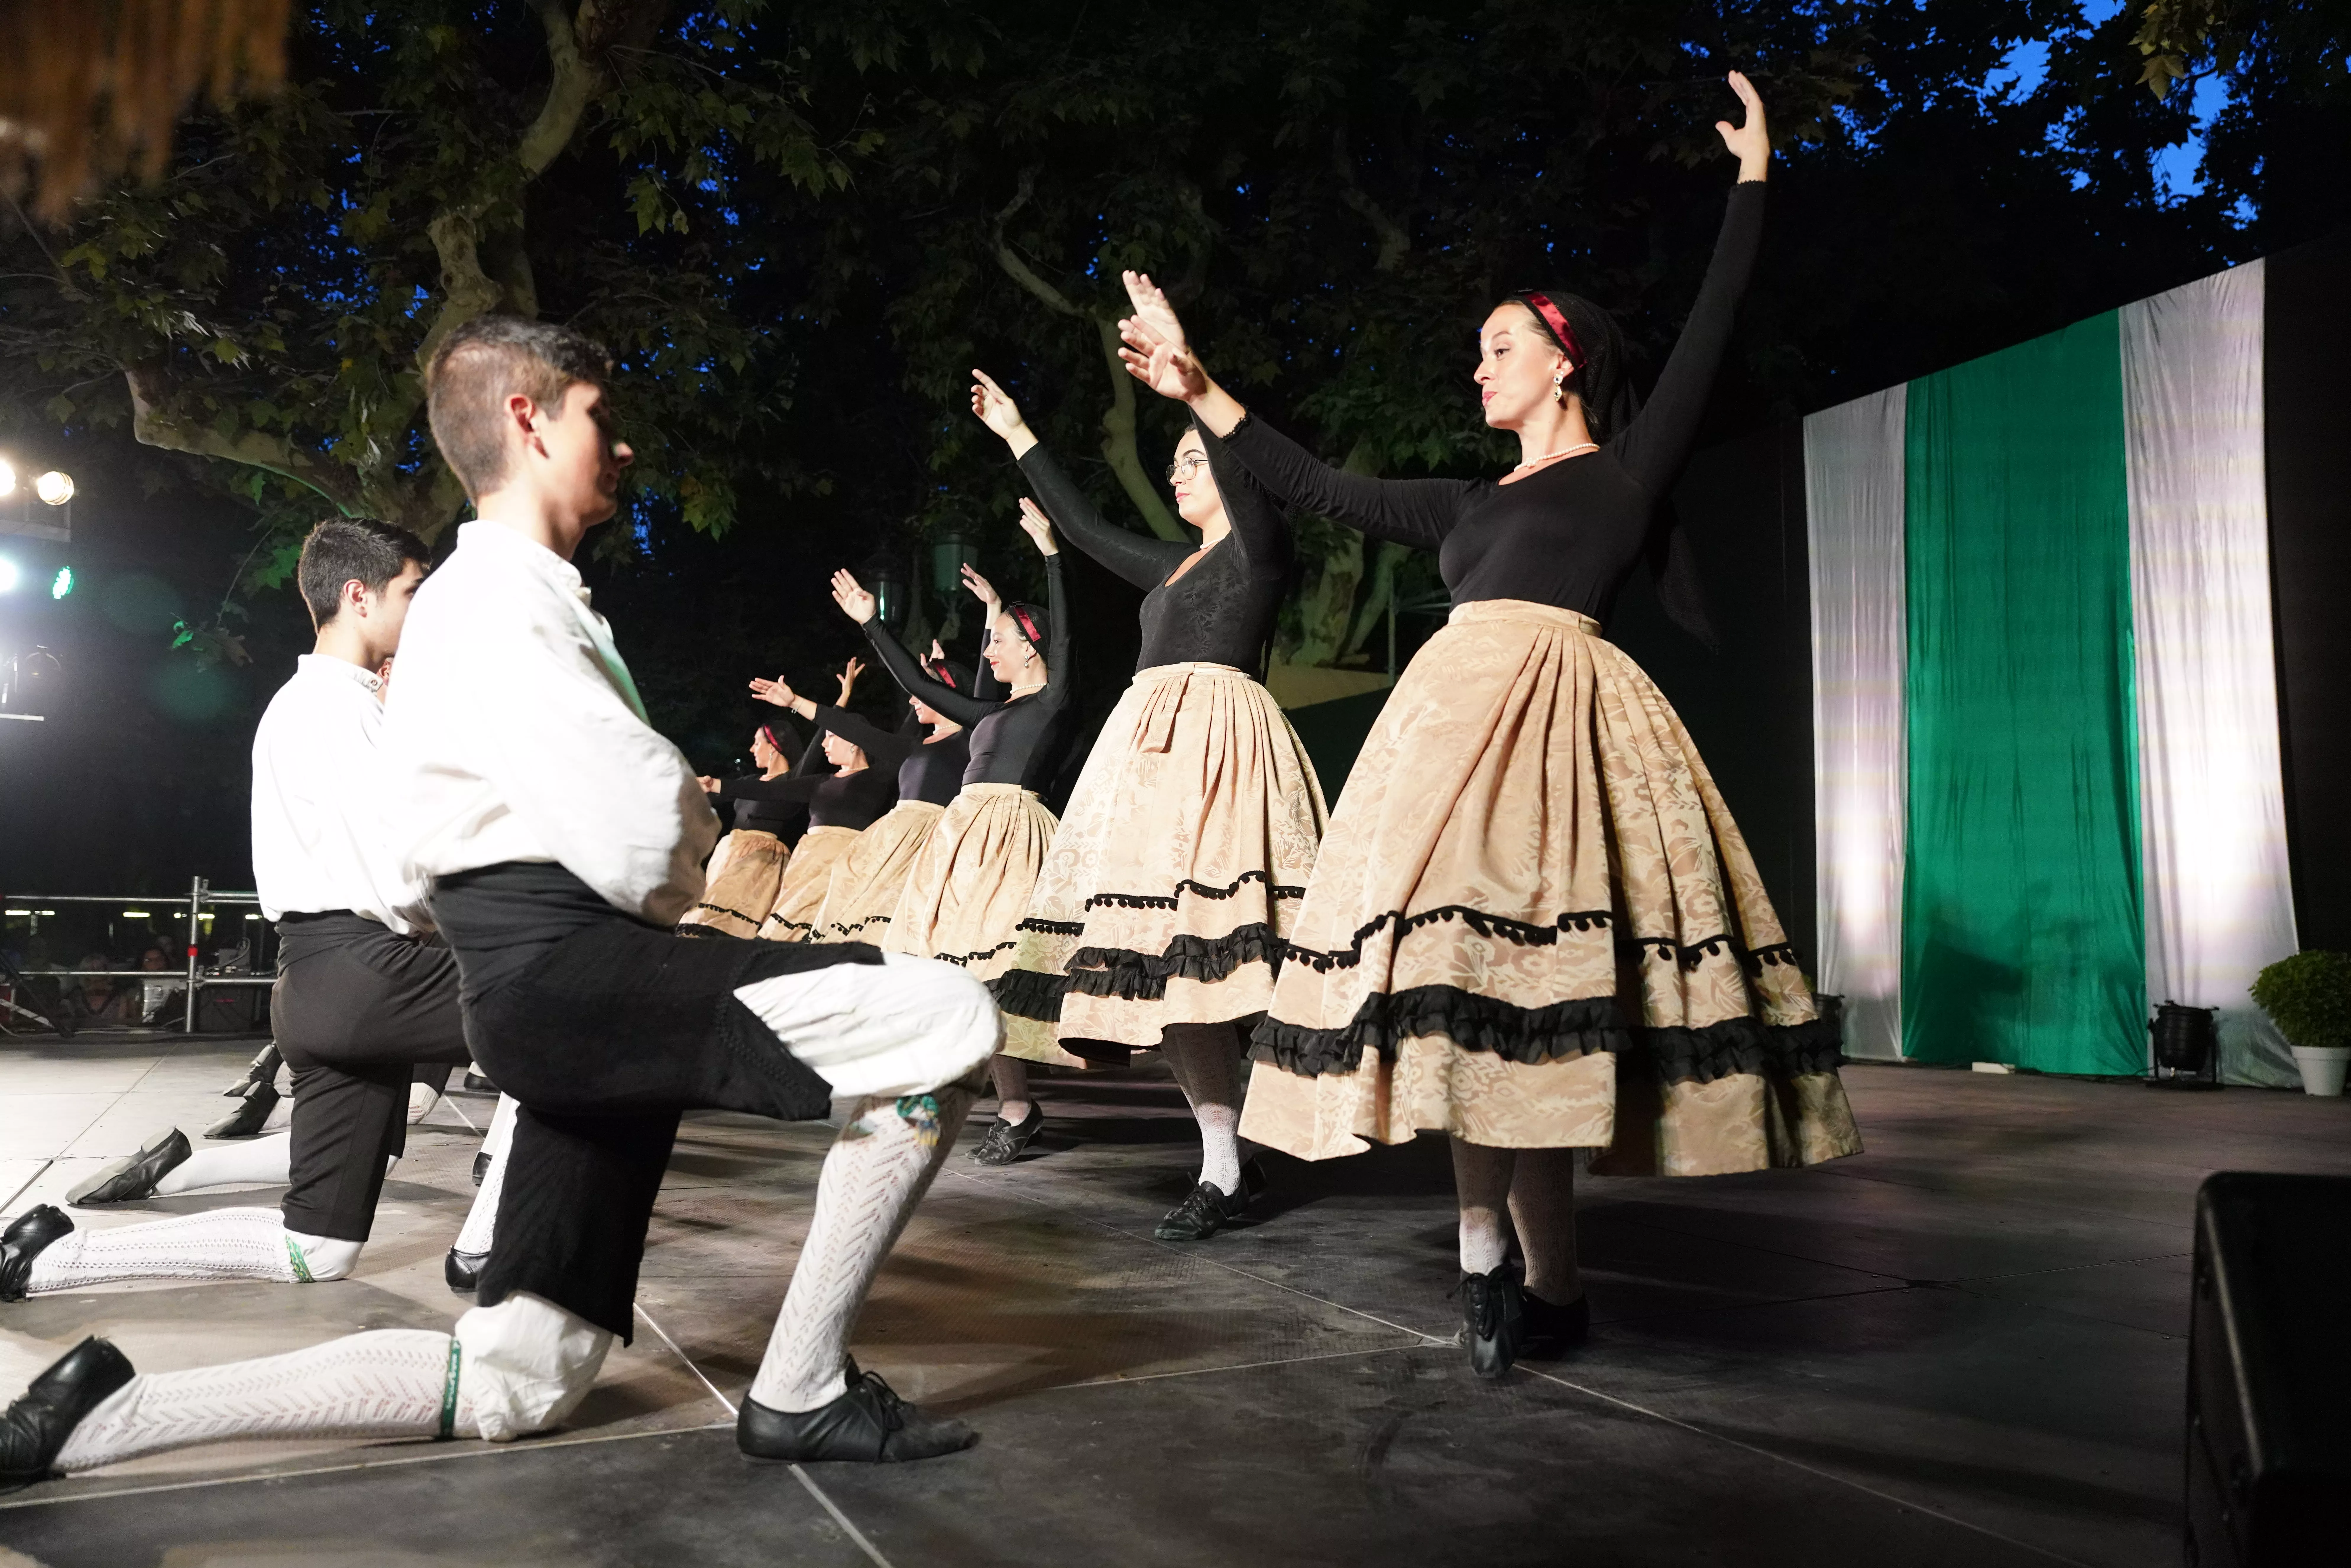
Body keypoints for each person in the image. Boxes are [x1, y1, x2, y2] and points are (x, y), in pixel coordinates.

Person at [0, 315, 996, 1491]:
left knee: (520, 1378)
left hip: (551, 996)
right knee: (946, 1018)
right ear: (528, 419)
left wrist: (639, 820)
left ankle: (111, 1413)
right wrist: (681, 812)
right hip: (582, 978)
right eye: (601, 418)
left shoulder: (487, 606)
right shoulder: (492, 597)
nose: (622, 447)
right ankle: (803, 1389)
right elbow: (648, 835)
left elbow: (503, 840)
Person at [1115, 73, 1859, 1377]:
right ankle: (1480, 1262)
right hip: (1444, 752)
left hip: (1559, 744)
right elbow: (1317, 484)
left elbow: (1713, 320)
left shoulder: (1618, 473)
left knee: (1532, 1013)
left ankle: (1551, 1285)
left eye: (1498, 346)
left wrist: (1751, 180)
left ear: (1563, 358)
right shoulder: (1463, 505)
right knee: (1459, 1001)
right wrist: (1198, 387)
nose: (1477, 365)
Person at [2, 517, 512, 1309]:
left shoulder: (319, 704)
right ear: (359, 595)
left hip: (319, 982)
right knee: (559, 1002)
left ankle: (49, 1258)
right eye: (414, 590)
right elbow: (396, 880)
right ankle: (491, 1240)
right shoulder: (336, 709)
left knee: (318, 1248)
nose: (426, 609)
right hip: (370, 971)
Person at [972, 370, 1325, 1236]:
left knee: (1227, 960)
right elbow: (1086, 529)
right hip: (1145, 764)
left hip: (1220, 755)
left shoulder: (1260, 549)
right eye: (1173, 462)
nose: (1177, 473)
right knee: (1163, 966)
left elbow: (1240, 466)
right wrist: (1017, 432)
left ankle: (1252, 1129)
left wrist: (1194, 388)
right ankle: (1223, 1162)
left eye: (1193, 459)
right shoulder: (1172, 565)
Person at [834, 510, 1079, 1150]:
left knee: (991, 974)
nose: (989, 651)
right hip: (962, 838)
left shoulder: (1052, 700)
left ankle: (1014, 1107)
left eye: (999, 641)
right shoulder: (988, 711)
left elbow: (1065, 639)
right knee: (950, 973)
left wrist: (1051, 555)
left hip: (1010, 836)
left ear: (1031, 647)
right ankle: (986, 1103)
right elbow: (916, 682)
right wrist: (871, 623)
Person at [751, 649, 974, 949]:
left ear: (944, 691)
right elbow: (855, 731)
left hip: (933, 844)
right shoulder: (914, 747)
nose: (912, 700)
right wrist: (796, 703)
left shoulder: (972, 739)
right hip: (891, 844)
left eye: (920, 692)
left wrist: (990, 618)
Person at [717, 660, 898, 942]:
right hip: (805, 864)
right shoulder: (820, 782)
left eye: (831, 737)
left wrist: (841, 701)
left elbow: (905, 738)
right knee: (784, 934)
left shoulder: (879, 777)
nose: (825, 744)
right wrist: (716, 785)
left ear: (853, 741)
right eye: (825, 738)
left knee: (821, 933)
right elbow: (768, 791)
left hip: (845, 866)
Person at [677, 720, 803, 938]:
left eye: (757, 743)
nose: (752, 749)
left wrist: (838, 706)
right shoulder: (750, 781)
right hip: (728, 855)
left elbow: (814, 751)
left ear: (774, 746)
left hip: (759, 860)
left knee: (721, 919)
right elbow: (708, 796)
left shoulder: (791, 783)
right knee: (704, 916)